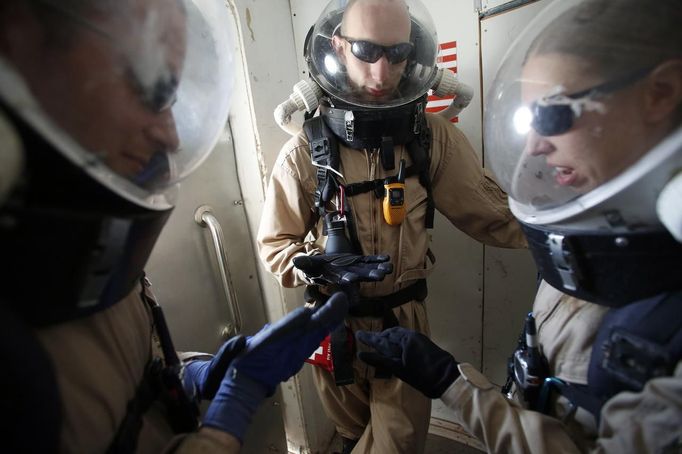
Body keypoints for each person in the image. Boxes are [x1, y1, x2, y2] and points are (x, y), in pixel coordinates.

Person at [0, 0, 392, 452]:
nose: (169, 135)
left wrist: (193, 372)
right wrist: (234, 406)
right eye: (149, 88)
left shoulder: (86, 249)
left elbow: (121, 373)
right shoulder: (15, 346)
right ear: (19, 42)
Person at [356, 0, 682, 452]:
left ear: (661, 93)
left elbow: (491, 214)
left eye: (551, 114)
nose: (535, 148)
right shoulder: (592, 240)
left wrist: (453, 384)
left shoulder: (431, 138)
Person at [257, 0, 526, 452]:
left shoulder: (431, 137)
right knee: (349, 435)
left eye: (397, 53)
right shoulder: (305, 152)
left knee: (397, 442)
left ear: (414, 53)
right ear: (338, 48)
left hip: (404, 324)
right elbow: (275, 246)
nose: (383, 74)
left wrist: (574, 228)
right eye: (365, 51)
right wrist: (316, 265)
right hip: (330, 326)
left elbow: (493, 216)